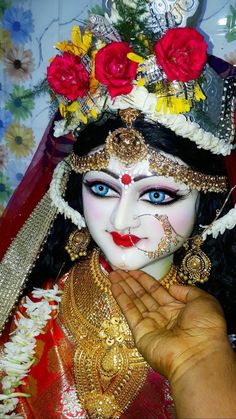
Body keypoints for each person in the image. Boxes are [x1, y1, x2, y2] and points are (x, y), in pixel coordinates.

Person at [0, 0, 235, 417]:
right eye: (102, 188)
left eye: (158, 195)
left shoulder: (218, 339)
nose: (122, 220)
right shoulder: (40, 306)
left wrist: (201, 368)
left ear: (207, 200)